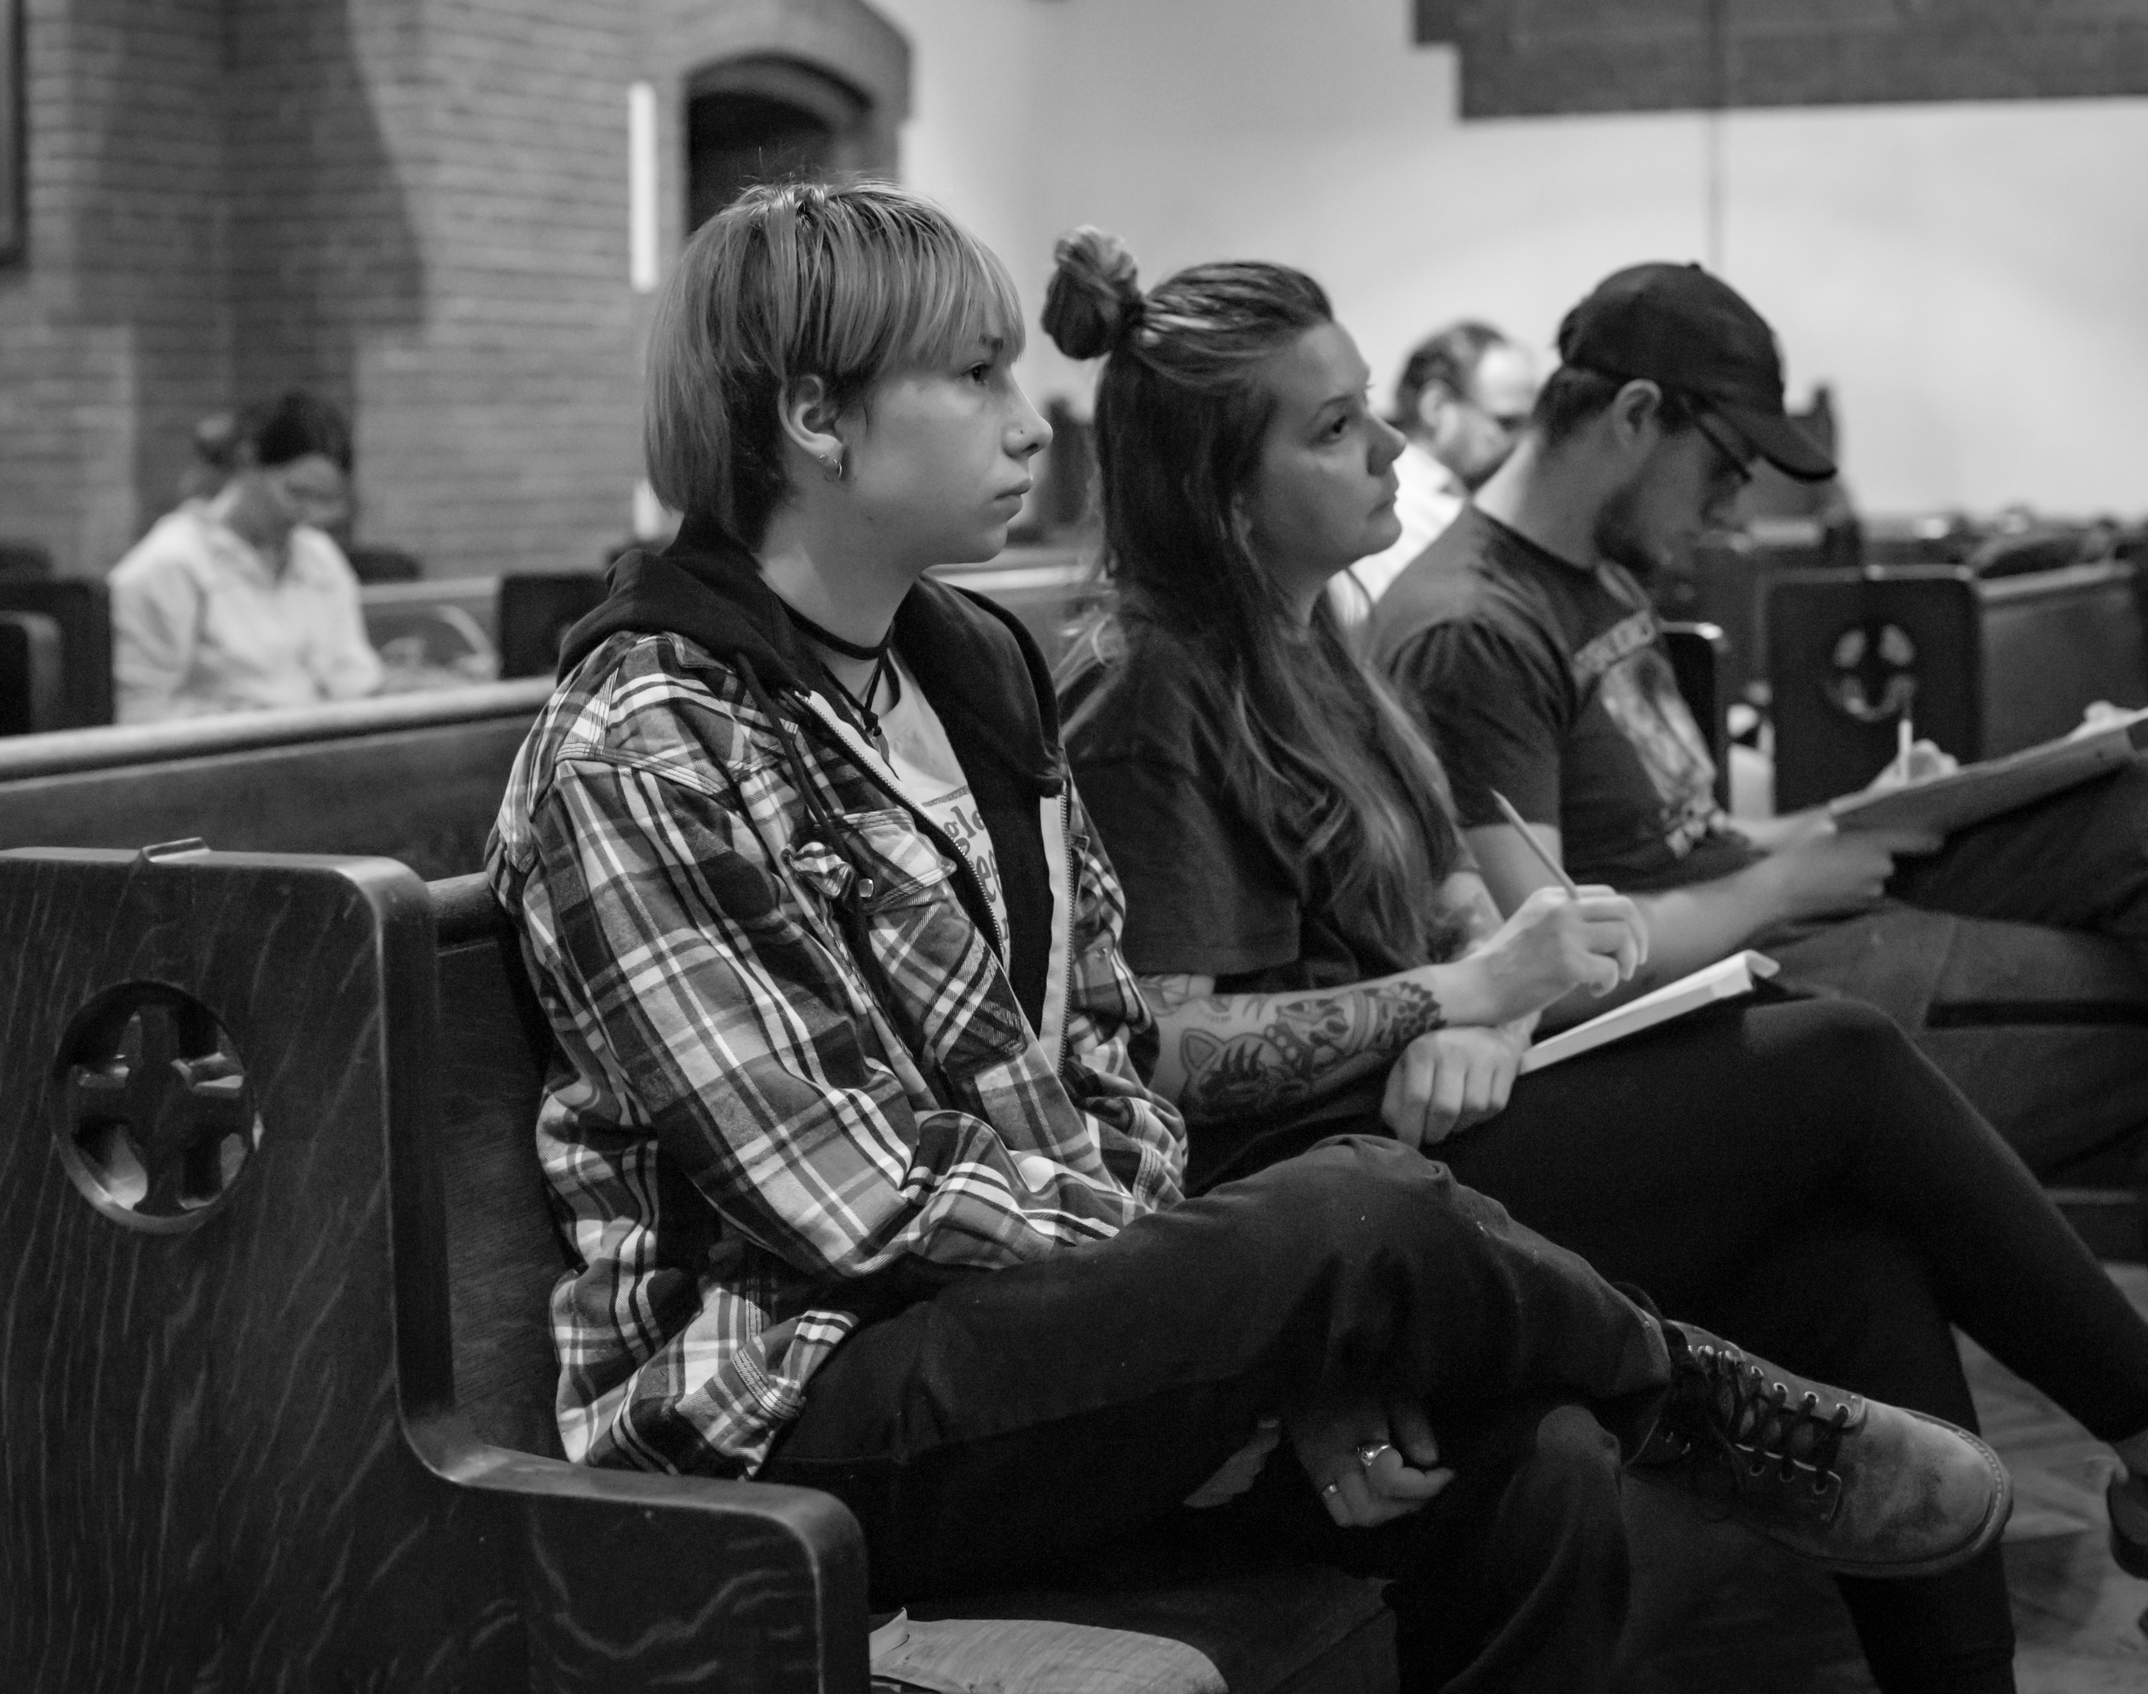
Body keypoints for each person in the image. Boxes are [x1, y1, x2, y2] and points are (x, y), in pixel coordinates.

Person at [478, 181, 2007, 1694]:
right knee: (1363, 1203)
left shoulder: (969, 669)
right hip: (790, 1410)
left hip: (1032, 1328)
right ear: (817, 416)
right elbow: (852, 1192)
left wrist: (1239, 1336)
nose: (1031, 426)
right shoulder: (650, 739)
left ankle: (1634, 1401)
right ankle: (1680, 1393)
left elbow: (1109, 1052)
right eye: (975, 376)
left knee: (1531, 1460)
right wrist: (1246, 1311)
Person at [1044, 228, 2148, 1692]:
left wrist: (1485, 1008)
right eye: (1336, 427)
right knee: (1840, 1055)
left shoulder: (1316, 637)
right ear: (1222, 490)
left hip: (1426, 1114)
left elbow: (1454, 896)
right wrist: (1461, 996)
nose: (1392, 447)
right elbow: (1168, 1052)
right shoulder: (1149, 686)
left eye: (1371, 407)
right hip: (1312, 1199)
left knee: (1850, 1265)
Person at [1364, 264, 2148, 1172]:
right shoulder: (1470, 630)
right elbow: (1541, 968)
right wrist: (1784, 885)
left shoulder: (1601, 569)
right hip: (1715, 1002)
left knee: (2127, 797)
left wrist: (1853, 816)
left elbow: (1691, 835)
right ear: (1635, 415)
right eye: (1725, 467)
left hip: (1774, 926)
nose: (1732, 507)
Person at [107, 389, 383, 722]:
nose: (306, 515)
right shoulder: (171, 564)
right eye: (296, 493)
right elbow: (137, 710)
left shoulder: (317, 556)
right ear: (248, 460)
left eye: (322, 500)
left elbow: (352, 679)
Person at [1329, 321, 1535, 625]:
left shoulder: (1449, 495)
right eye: (1506, 423)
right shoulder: (1396, 507)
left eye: (1532, 424)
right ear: (1436, 406)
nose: (1524, 445)